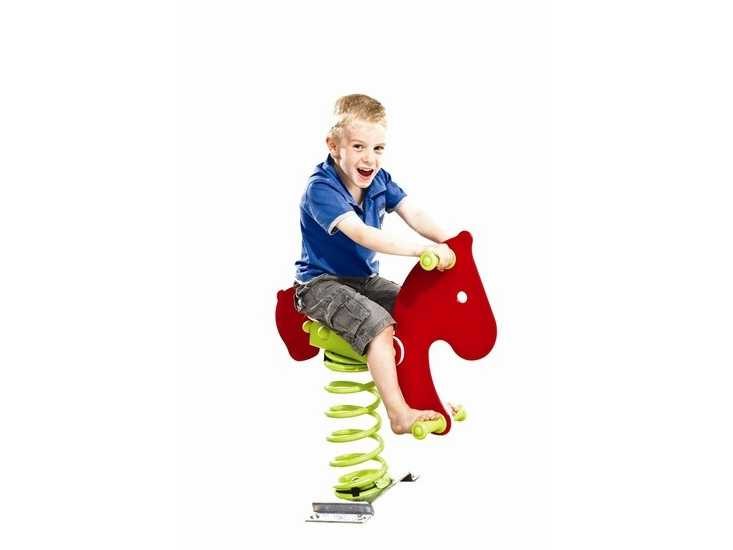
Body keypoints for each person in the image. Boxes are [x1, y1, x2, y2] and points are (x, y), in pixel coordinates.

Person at [294, 94, 456, 434]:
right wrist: (421, 250)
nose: (370, 158)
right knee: (379, 325)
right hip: (320, 285)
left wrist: (452, 242)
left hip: (363, 280)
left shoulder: (379, 180)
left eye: (378, 148)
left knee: (417, 313)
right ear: (333, 146)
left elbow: (413, 213)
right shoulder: (321, 189)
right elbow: (363, 235)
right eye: (358, 147)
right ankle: (399, 414)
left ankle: (426, 395)